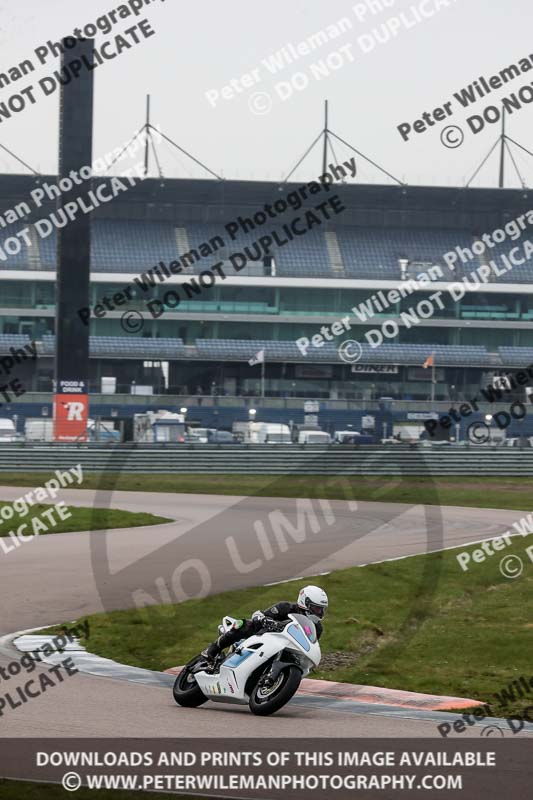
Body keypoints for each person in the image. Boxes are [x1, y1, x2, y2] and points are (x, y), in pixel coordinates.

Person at [201, 585, 328, 663]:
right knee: (243, 624)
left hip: (286, 647)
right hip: (263, 634)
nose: (319, 612)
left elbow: (311, 644)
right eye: (316, 608)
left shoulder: (317, 628)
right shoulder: (286, 607)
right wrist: (265, 619)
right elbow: (260, 614)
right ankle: (212, 650)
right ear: (304, 602)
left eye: (321, 609)